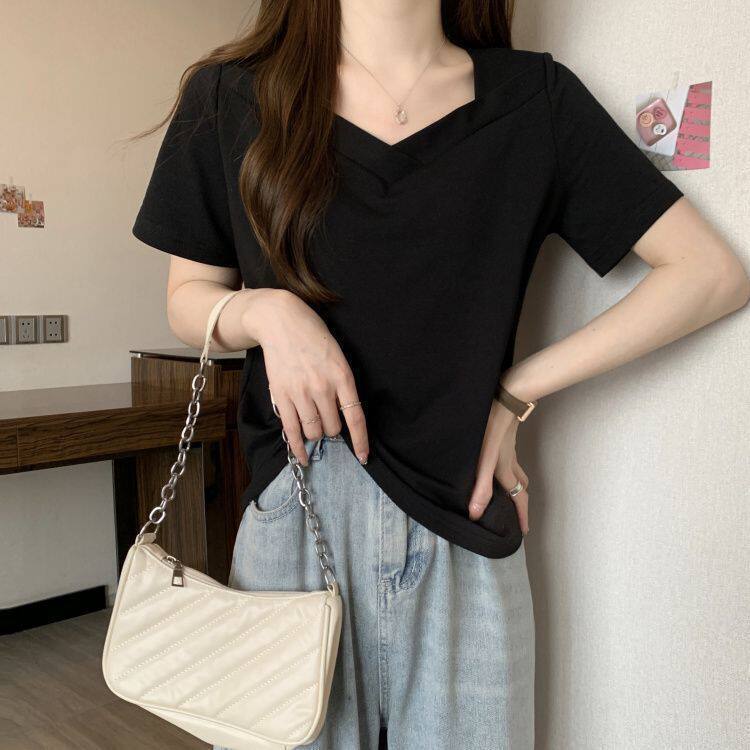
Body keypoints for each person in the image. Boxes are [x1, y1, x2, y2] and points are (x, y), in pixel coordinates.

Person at [129, 2, 749, 748]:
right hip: (297, 516)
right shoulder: (231, 96)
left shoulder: (534, 100)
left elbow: (710, 274)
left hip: (464, 528)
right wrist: (265, 311)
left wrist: (517, 392)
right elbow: (188, 298)